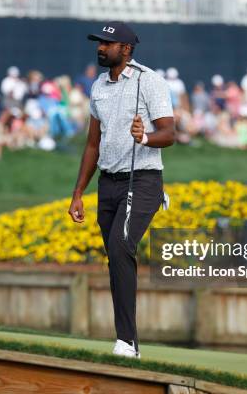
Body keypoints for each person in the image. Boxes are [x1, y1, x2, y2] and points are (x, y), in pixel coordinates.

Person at [68, 21, 175, 359]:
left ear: (126, 49)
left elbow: (169, 134)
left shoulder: (149, 81)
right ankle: (130, 342)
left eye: (108, 43)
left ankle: (126, 342)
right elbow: (91, 144)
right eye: (99, 42)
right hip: (108, 183)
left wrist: (144, 137)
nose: (101, 48)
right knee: (116, 258)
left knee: (120, 246)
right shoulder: (99, 85)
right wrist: (77, 193)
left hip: (142, 179)